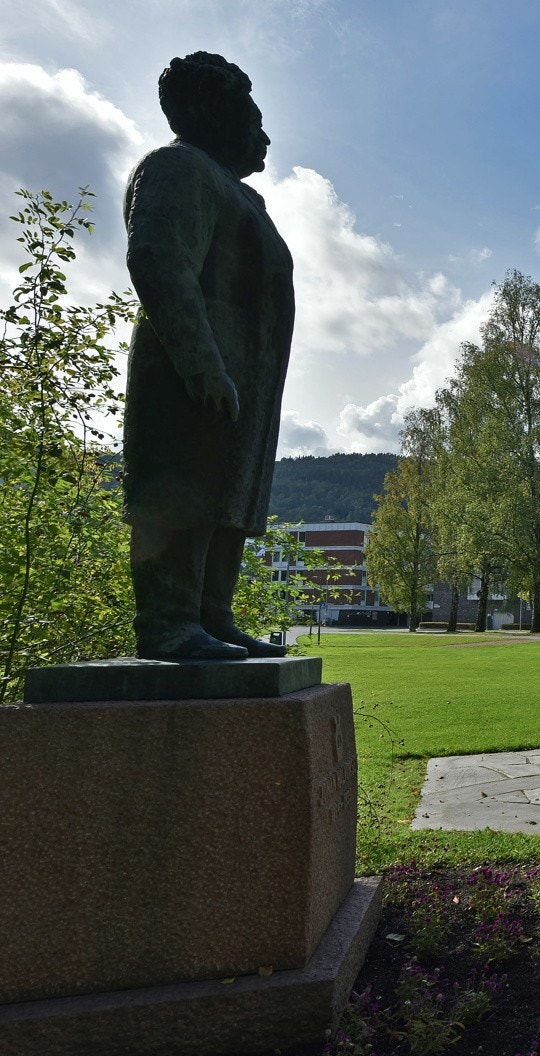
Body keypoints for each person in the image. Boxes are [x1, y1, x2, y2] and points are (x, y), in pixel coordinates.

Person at [122, 52, 294, 659]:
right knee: (185, 489)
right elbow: (161, 260)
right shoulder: (178, 168)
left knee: (228, 498)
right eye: (253, 114)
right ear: (216, 113)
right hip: (195, 376)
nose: (263, 133)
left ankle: (211, 616)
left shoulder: (243, 198)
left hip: (245, 380)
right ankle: (170, 623)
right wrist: (202, 363)